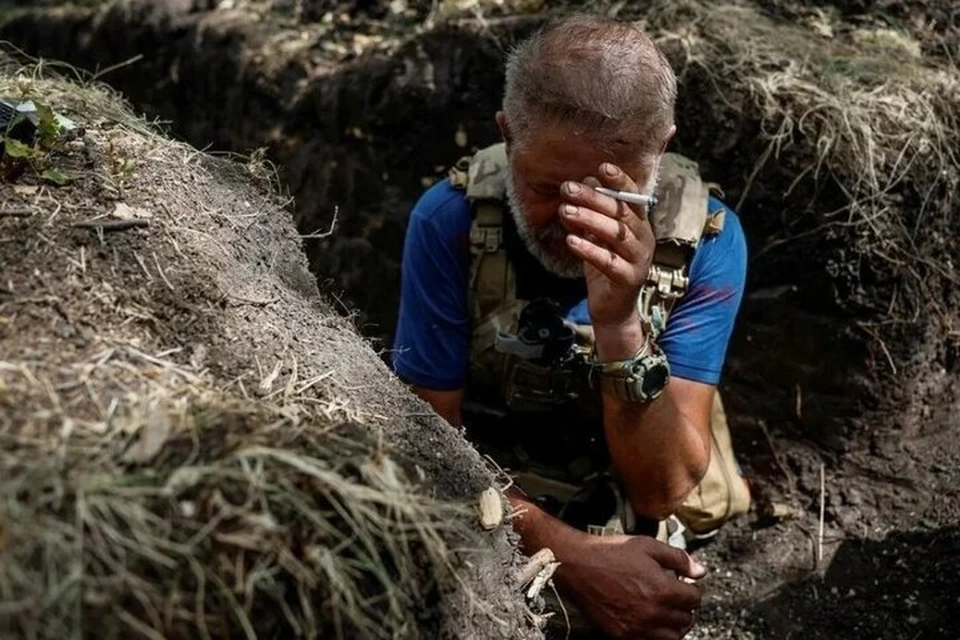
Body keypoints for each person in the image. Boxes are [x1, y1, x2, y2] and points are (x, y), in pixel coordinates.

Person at [391, 14, 750, 639]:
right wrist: (573, 558)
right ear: (507, 136)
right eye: (548, 187)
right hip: (488, 488)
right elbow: (429, 454)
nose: (575, 217)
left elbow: (662, 491)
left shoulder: (706, 243)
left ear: (660, 149)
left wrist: (619, 324)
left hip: (618, 492)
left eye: (614, 191)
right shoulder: (448, 221)